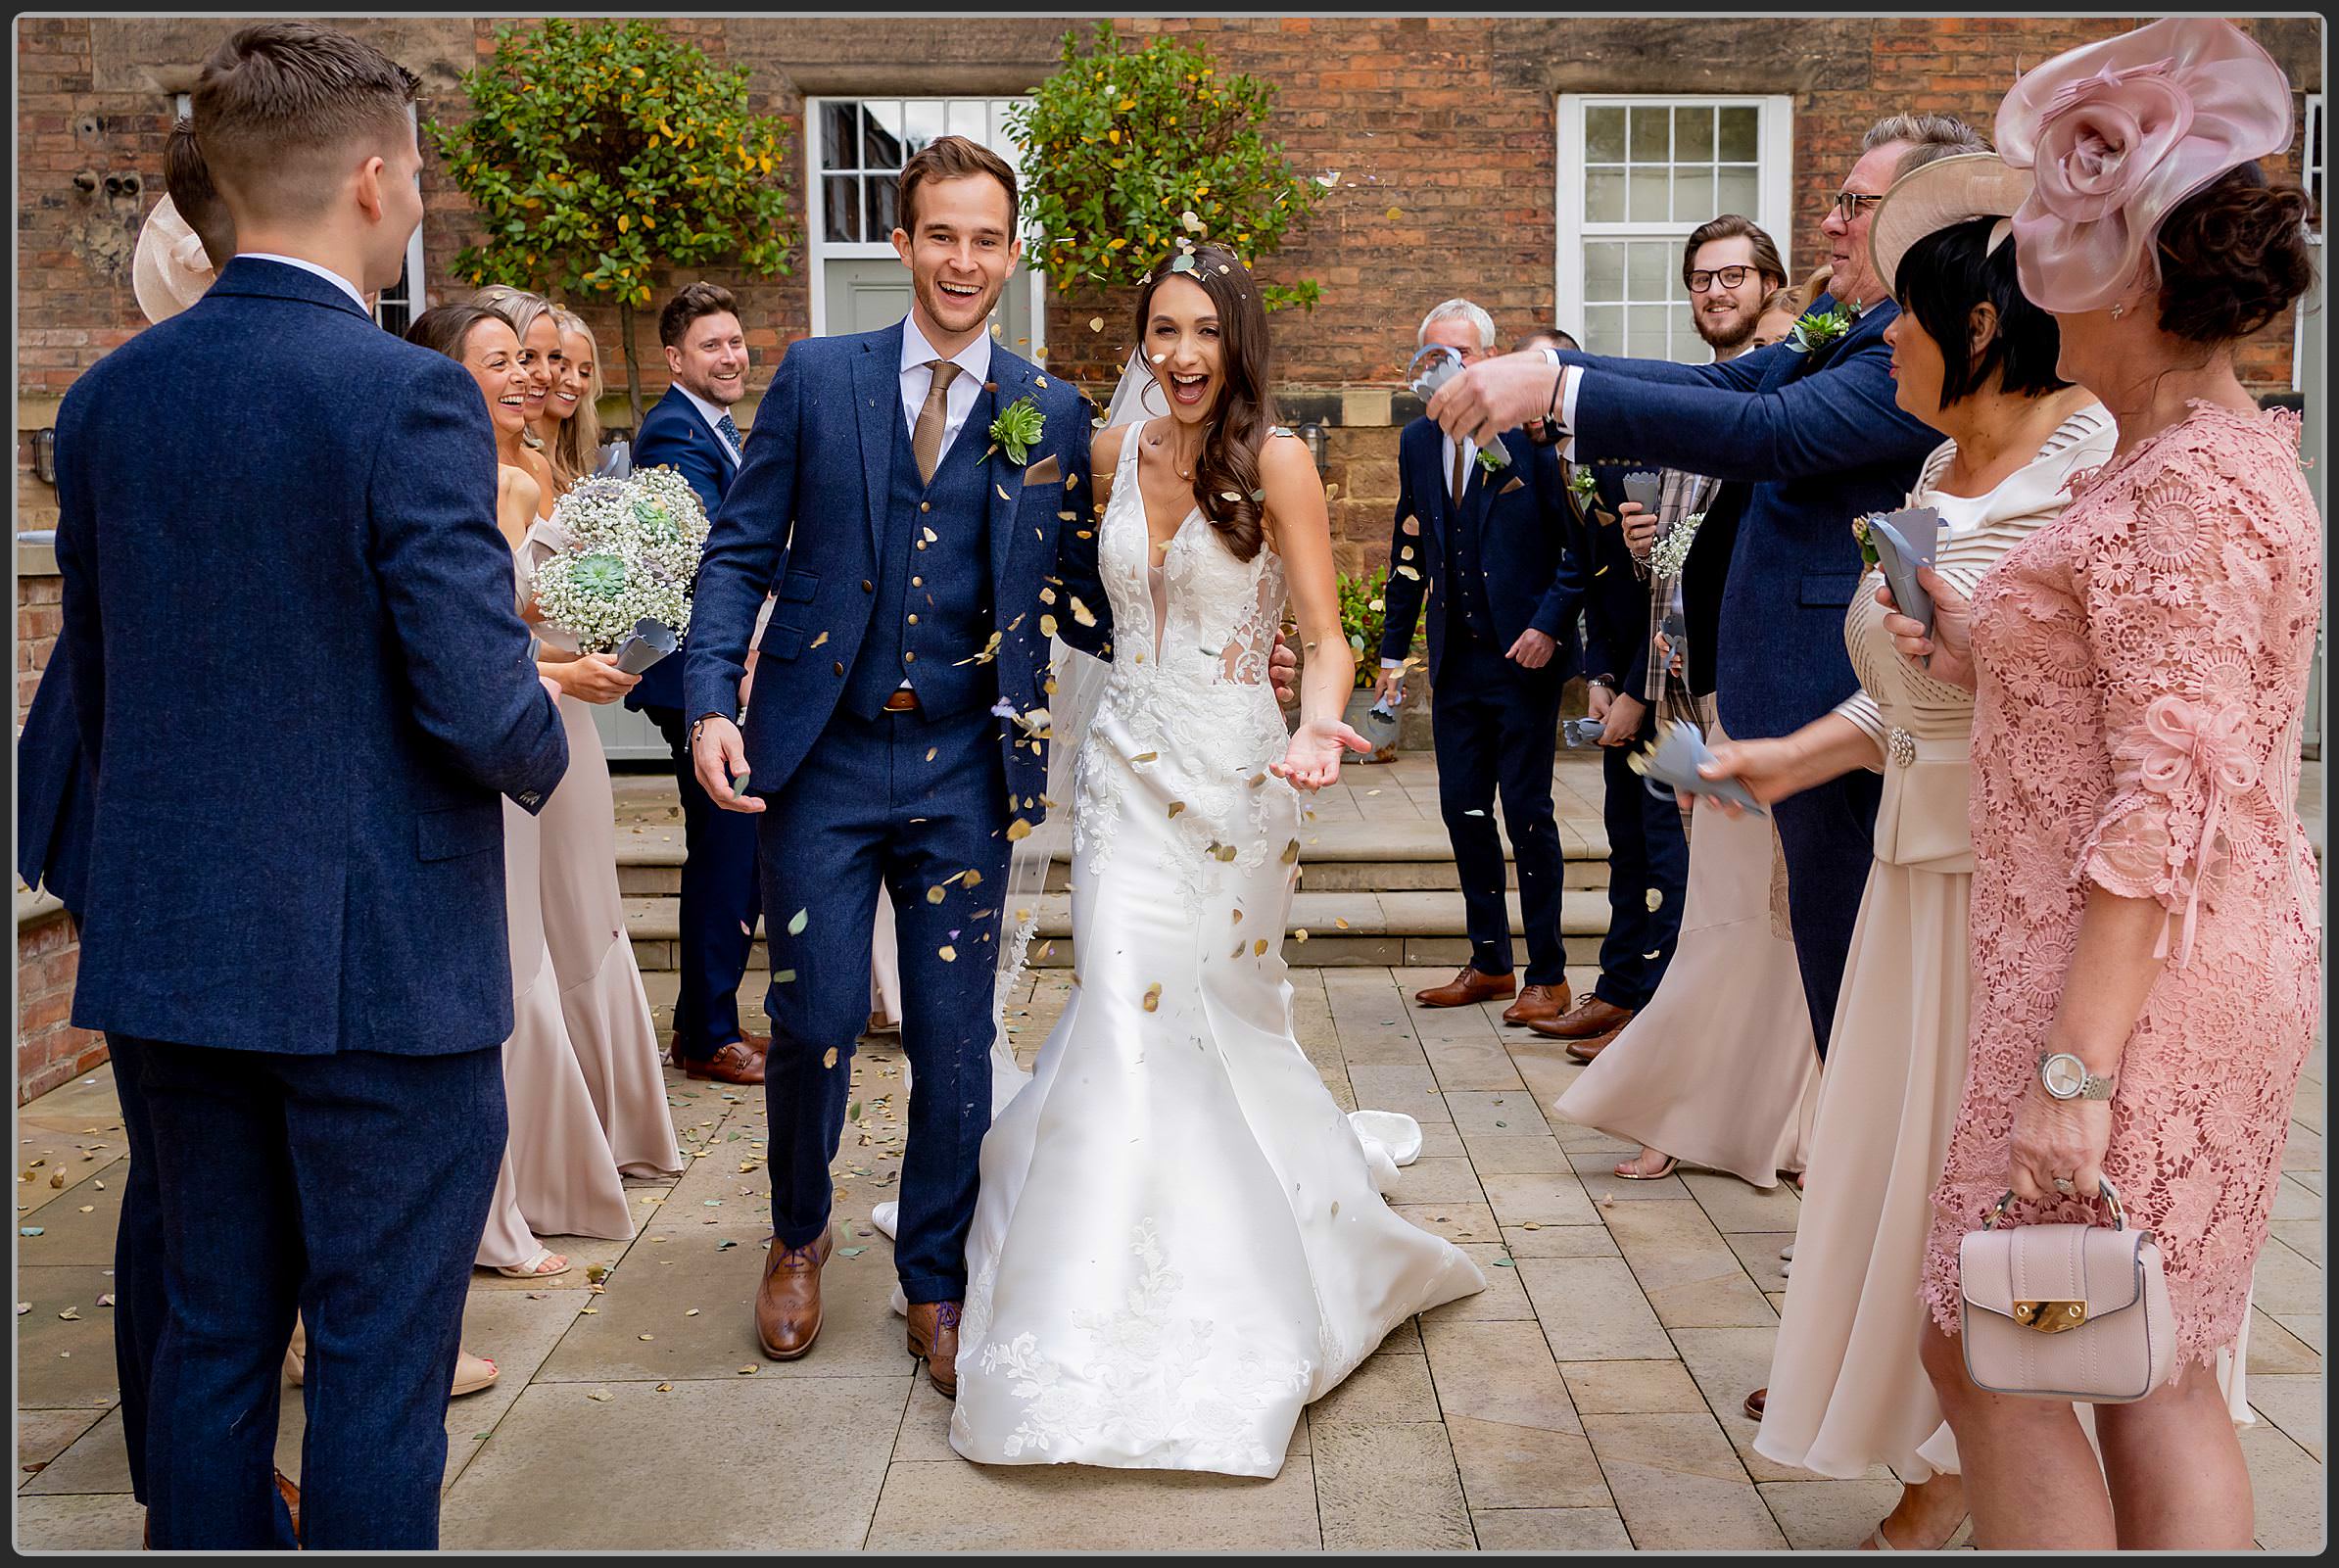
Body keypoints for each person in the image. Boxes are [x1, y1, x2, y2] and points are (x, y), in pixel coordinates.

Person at [51, 22, 568, 1548]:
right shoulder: (403, 400)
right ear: (368, 178)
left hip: (168, 951)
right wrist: (554, 730)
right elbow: (478, 702)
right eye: (413, 169)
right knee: (374, 1360)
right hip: (376, 974)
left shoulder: (105, 405)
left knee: (210, 1337)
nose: (417, 195)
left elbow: (106, 677)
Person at [951, 246, 1485, 1477]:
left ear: (1237, 342)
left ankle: (1266, 1259)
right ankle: (1083, 1304)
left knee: (1222, 1018)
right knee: (1125, 1013)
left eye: (1204, 331)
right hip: (1124, 773)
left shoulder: (1281, 462)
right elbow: (1047, 590)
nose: (1182, 354)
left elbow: (1325, 635)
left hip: (1244, 782)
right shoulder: (1099, 456)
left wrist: (1313, 725)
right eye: (1162, 331)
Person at [1907, 21, 2317, 1548]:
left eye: (2054, 239)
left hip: (2130, 990)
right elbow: (2128, 705)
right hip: (2125, 965)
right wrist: (1971, 645)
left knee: (1998, 1345)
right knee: (2139, 1357)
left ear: (2131, 273)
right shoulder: (2170, 461)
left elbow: (2173, 792)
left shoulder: (2188, 486)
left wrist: (2073, 1085)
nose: (2023, 271)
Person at [1691, 155, 2115, 1546]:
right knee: (1907, 1207)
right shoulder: (1936, 463)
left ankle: (2013, 1472)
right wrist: (1783, 757)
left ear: (1979, 325)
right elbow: (1911, 682)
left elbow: (2091, 703)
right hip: (1908, 892)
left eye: (1908, 325)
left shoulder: (2092, 460)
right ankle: (1957, 1456)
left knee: (2003, 1219)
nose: (1888, 350)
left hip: (2017, 900)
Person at [684, 135, 1119, 1390]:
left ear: (1013, 251)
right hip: (818, 762)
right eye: (942, 235)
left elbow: (1087, 589)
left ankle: (936, 1274)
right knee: (812, 1018)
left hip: (965, 770)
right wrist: (714, 695)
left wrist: (1213, 620)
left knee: (952, 1035)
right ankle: (799, 1229)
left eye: (987, 238)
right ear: (902, 243)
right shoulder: (820, 380)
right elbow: (738, 554)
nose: (964, 260)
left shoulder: (1050, 405)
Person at [1428, 114, 1982, 1062]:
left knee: (1848, 959)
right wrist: (1553, 367)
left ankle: (1856, 1153)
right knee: (1807, 937)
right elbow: (1731, 390)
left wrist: (1557, 396)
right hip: (1752, 672)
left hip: (1846, 689)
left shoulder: (1911, 341)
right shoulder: (1838, 324)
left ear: (1923, 219)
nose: (1834, 224)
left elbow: (1776, 431)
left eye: (1856, 203)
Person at [1550, 207, 1825, 1187]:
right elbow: (1676, 568)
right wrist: (1640, 561)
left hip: (1759, 699)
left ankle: (1712, 1114)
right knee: (1721, 903)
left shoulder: (1788, 388)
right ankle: (1737, 1116)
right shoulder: (1703, 404)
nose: (1716, 291)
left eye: (1735, 276)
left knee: (1750, 911)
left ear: (1771, 283)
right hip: (1680, 693)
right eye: (1702, 278)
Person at [404, 301, 658, 1282]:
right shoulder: (475, 482)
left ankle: (530, 1187)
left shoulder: (516, 472)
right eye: (503, 361)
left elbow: (519, 622)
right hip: (496, 738)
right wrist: (561, 670)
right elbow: (473, 643)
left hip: (528, 720)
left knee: (534, 955)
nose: (529, 379)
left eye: (534, 361)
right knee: (511, 968)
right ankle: (499, 1210)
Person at [510, 299, 686, 1188]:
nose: (555, 379)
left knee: (584, 907)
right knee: (532, 924)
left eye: (573, 366)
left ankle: (607, 1117)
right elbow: (512, 609)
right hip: (527, 699)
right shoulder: (501, 470)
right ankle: (557, 1138)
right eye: (537, 359)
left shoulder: (561, 463)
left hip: (564, 697)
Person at [1378, 298, 1586, 1027]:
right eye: (1432, 356)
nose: (1445, 368)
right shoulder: (1415, 440)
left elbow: (1577, 546)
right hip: (1456, 660)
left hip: (1524, 658)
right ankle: (1491, 960)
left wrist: (1547, 626)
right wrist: (1392, 650)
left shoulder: (1533, 438)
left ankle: (1550, 973)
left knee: (1528, 813)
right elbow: (1410, 546)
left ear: (1488, 361)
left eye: (1460, 355)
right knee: (1462, 811)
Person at [633, 282, 768, 1087]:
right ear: (676, 357)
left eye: (736, 341)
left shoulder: (716, 428)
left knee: (730, 852)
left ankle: (703, 1018)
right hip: (697, 680)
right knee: (726, 850)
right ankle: (708, 1032)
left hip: (716, 675)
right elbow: (722, 549)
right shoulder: (675, 437)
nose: (731, 356)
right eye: (712, 346)